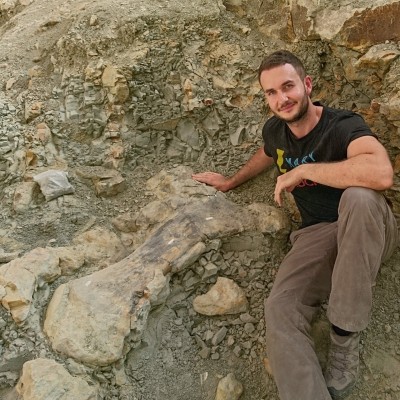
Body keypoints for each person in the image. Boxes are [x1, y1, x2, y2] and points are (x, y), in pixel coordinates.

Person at [192, 50, 398, 400]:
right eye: (271, 92)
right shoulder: (276, 129)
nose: (281, 98)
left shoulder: (341, 125)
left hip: (369, 228)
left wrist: (305, 170)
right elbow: (267, 153)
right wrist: (230, 181)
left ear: (306, 85)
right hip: (318, 233)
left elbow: (380, 174)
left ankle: (344, 336)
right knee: (281, 308)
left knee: (358, 197)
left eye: (287, 87)